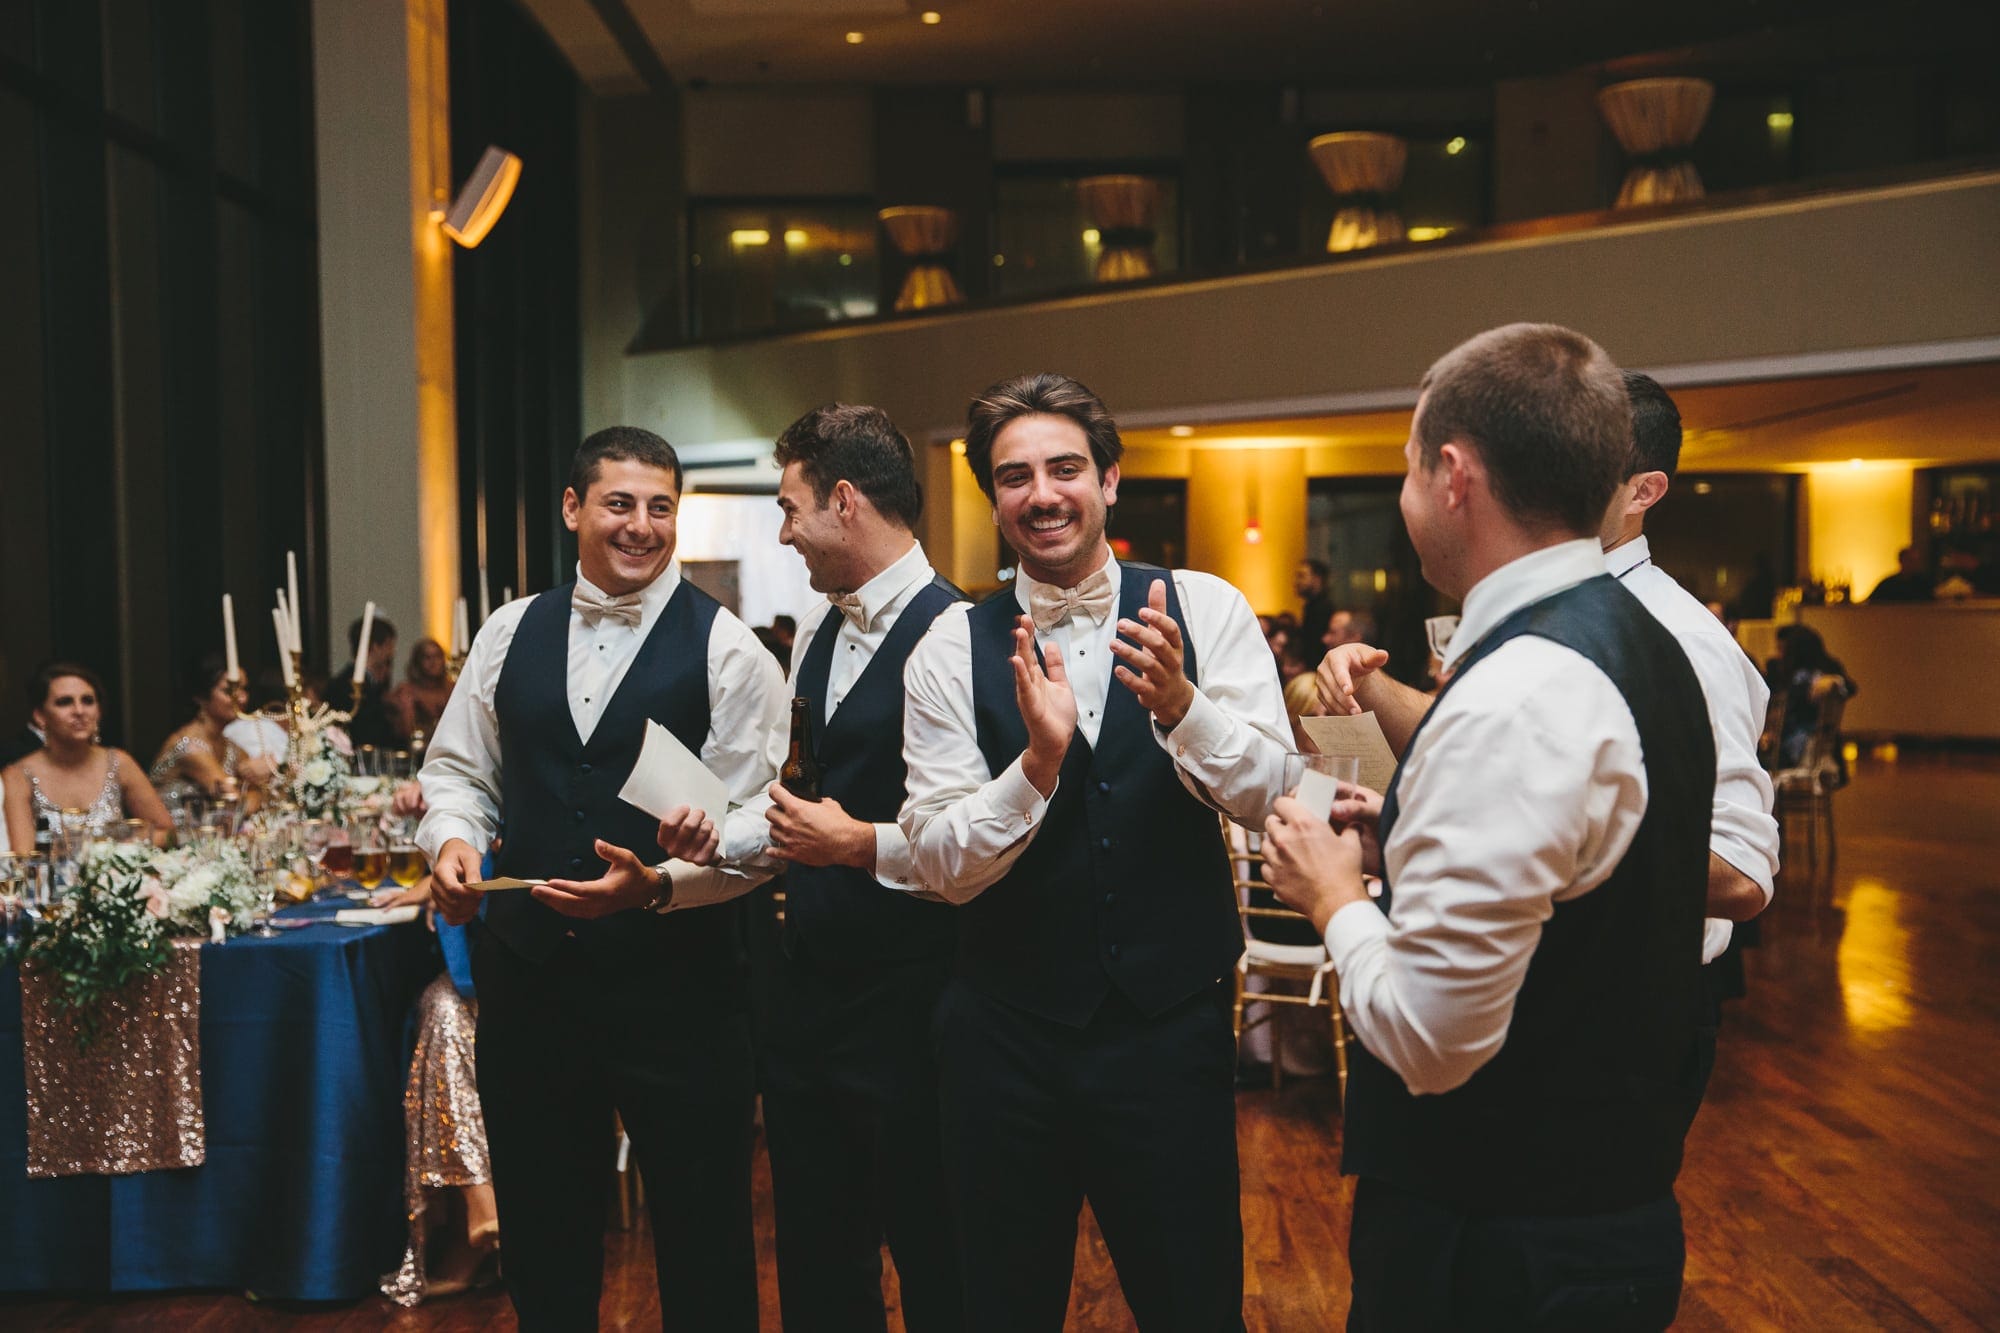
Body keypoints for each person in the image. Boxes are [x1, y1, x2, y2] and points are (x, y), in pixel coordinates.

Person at [1264, 323, 1716, 1330]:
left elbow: (1430, 1043)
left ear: (1453, 475)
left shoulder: (1513, 691)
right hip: (1603, 1215)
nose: (1404, 495)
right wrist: (1413, 828)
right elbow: (1581, 866)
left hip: (1502, 1253)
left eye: (1405, 469)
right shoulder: (1645, 639)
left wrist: (1334, 896)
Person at [898, 372, 1291, 1331]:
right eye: (1016, 475)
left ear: (1110, 480)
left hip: (1168, 1031)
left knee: (1193, 1302)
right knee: (1001, 1304)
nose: (1042, 493)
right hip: (1001, 1040)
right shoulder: (949, 647)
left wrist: (1184, 710)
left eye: (1065, 467)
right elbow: (941, 861)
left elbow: (1275, 792)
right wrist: (1035, 763)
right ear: (995, 499)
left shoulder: (1207, 609)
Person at [419, 425, 787, 1331]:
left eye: (660, 506)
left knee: (705, 1242)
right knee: (545, 1241)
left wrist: (664, 876)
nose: (642, 525)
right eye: (620, 502)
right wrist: (454, 844)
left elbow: (760, 822)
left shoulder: (730, 648)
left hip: (683, 990)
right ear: (574, 507)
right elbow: (459, 771)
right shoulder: (510, 631)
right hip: (534, 983)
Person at [661, 403, 968, 1333]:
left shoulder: (961, 633)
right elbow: (799, 796)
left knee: (938, 1258)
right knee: (820, 1263)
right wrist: (716, 838)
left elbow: (980, 838)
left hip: (919, 1007)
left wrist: (854, 842)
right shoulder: (823, 637)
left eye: (790, 508)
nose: (784, 531)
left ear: (843, 500)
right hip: (807, 1006)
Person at [1317, 371, 1781, 962]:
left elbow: (1742, 876)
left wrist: (1524, 839)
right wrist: (1366, 683)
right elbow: (1476, 748)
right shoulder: (1529, 604)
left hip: (1625, 986)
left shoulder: (1683, 638)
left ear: (1643, 493)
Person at [3, 663, 173, 851]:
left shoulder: (119, 762)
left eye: (87, 701)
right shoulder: (18, 775)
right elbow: (23, 858)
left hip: (115, 876)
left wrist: (117, 852)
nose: (79, 711)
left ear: (98, 711)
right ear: (40, 716)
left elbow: (166, 831)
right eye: (64, 702)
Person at [149, 653, 276, 817]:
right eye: (228, 690)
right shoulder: (189, 745)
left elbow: (256, 791)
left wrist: (261, 784)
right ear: (201, 696)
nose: (241, 698)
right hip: (177, 838)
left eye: (243, 688)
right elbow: (235, 804)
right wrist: (259, 791)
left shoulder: (231, 746)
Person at [1765, 624, 1856, 772]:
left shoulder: (1794, 675)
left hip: (1790, 749)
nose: (1779, 653)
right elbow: (1850, 687)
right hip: (1819, 747)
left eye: (1782, 649)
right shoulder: (1827, 669)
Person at [334, 613, 400, 747]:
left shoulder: (375, 683)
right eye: (389, 645)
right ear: (376, 647)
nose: (393, 652)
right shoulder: (345, 685)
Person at [387, 637, 455, 740]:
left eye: (437, 656)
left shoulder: (452, 689)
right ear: (418, 661)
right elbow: (404, 732)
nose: (433, 662)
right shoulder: (407, 691)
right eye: (427, 657)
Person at [1867, 546, 1933, 603]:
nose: (1913, 564)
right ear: (1901, 561)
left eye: (1915, 560)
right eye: (1909, 560)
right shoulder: (1888, 584)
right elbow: (1872, 602)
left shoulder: (1922, 584)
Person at [1294, 558, 1334, 644]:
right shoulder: (1310, 606)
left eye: (1302, 576)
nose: (1297, 582)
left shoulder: (1323, 609)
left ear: (1317, 579)